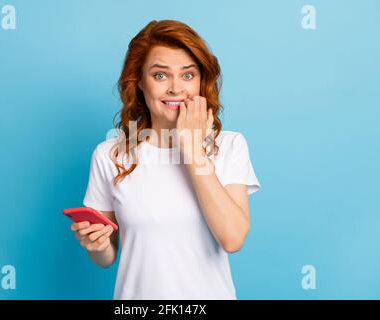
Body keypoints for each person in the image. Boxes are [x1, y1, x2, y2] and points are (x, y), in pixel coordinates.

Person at [70, 19, 261, 300]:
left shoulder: (229, 146)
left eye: (187, 75)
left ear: (201, 82)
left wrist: (193, 149)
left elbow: (232, 238)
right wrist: (96, 245)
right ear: (139, 83)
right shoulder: (110, 155)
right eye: (160, 75)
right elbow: (107, 257)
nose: (175, 89)